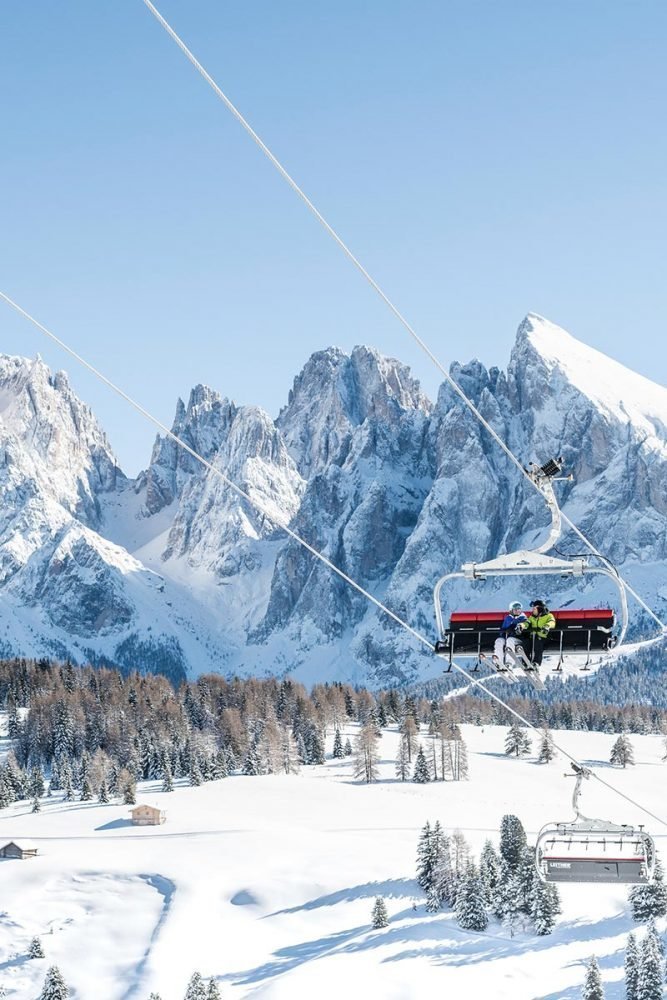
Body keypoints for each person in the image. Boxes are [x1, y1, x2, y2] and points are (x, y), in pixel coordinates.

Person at [522, 599, 556, 666]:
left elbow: (552, 622)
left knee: (538, 643)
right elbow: (526, 623)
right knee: (526, 642)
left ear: (540, 609)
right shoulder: (532, 617)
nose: (533, 610)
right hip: (533, 637)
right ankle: (526, 662)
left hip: (543, 638)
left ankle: (536, 663)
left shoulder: (548, 616)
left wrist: (547, 626)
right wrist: (521, 626)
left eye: (534, 608)